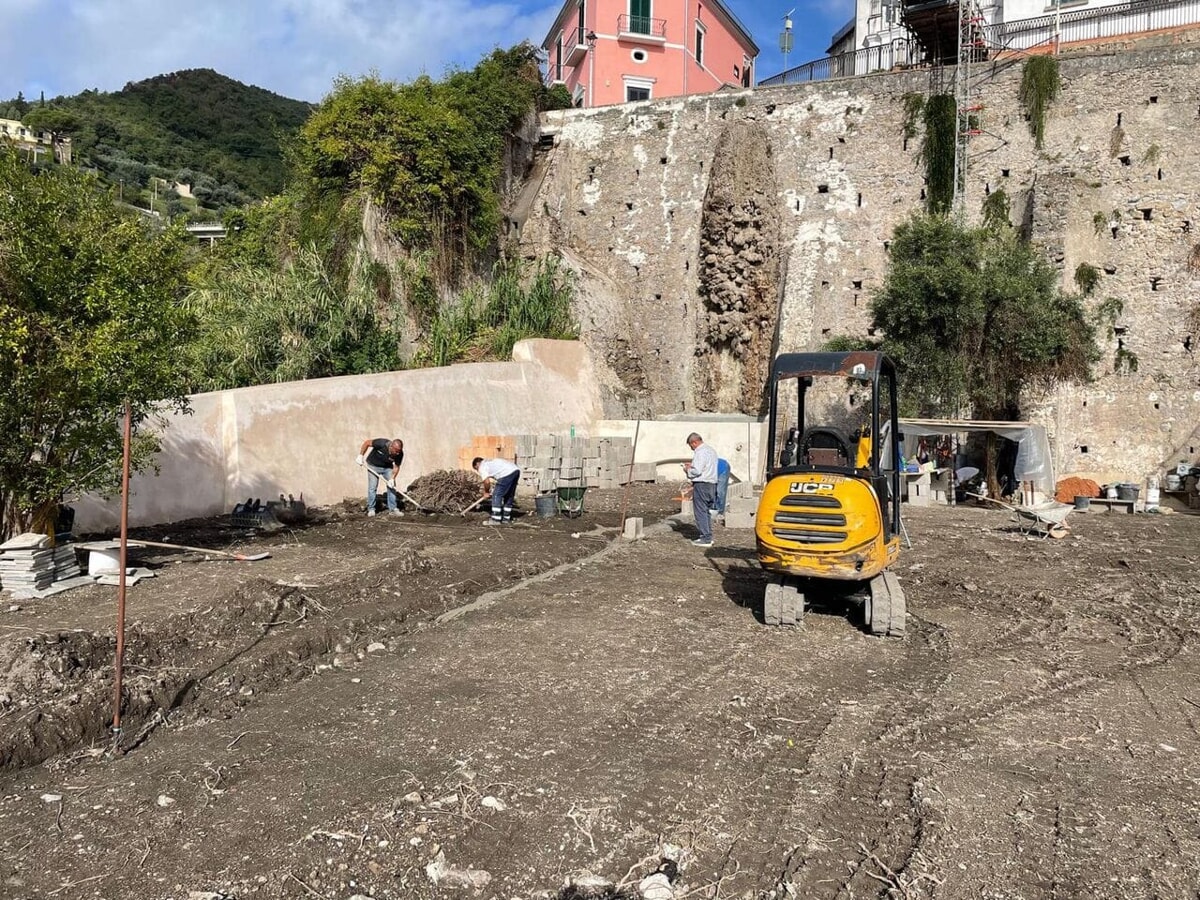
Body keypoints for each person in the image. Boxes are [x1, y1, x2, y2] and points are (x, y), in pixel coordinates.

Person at [681, 432, 718, 547]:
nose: (691, 449)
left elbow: (697, 470)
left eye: (691, 446)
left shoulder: (700, 452)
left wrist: (687, 469)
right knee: (705, 510)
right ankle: (708, 535)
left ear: (694, 442)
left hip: (702, 484)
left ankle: (705, 538)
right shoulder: (711, 450)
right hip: (711, 484)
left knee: (700, 511)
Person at [356, 438, 404, 517]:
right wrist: (360, 455)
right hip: (373, 466)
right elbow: (367, 443)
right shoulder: (381, 443)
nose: (397, 453)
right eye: (396, 451)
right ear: (391, 447)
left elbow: (396, 466)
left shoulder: (400, 453)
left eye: (399, 451)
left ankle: (393, 509)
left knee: (392, 487)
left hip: (387, 468)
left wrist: (392, 478)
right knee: (372, 487)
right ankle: (371, 509)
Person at [473, 456, 521, 525]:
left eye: (476, 469)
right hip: (516, 470)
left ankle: (496, 519)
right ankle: (506, 518)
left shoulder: (482, 466)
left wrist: (486, 492)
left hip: (506, 474)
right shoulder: (491, 461)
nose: (477, 471)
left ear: (477, 464)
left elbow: (486, 482)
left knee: (496, 495)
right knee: (509, 495)